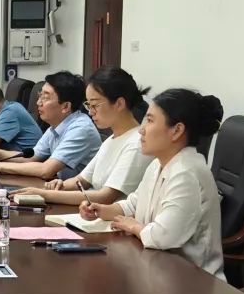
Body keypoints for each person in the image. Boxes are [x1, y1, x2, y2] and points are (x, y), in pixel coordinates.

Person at [81, 89, 225, 278]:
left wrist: (133, 226)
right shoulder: (158, 163)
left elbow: (163, 236)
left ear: (177, 130)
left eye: (149, 121)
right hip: (158, 269)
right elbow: (133, 204)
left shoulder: (187, 173)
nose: (141, 130)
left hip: (192, 280)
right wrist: (101, 210)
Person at [14, 67, 152, 205]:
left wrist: (45, 194)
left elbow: (105, 197)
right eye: (88, 105)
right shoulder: (111, 140)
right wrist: (60, 185)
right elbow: (81, 180)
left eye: (95, 105)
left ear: (119, 104)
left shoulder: (136, 144)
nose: (90, 112)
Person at [0, 71, 102, 181]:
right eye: (40, 95)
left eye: (45, 97)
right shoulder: (55, 126)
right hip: (61, 188)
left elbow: (46, 170)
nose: (38, 102)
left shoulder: (81, 129)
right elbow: (32, 157)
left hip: (82, 195)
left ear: (65, 106)